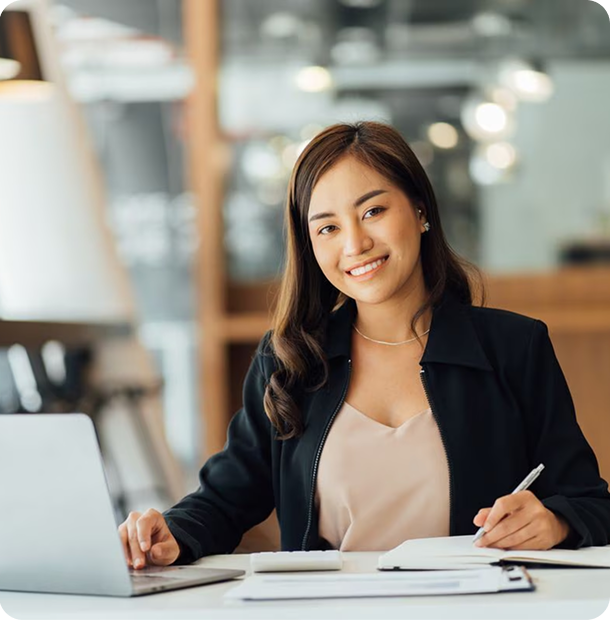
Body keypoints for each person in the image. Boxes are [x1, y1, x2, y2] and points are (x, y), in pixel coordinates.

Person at [119, 121, 610, 569]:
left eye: (373, 210)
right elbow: (224, 501)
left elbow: (591, 502)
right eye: (328, 227)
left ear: (420, 212)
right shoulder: (288, 360)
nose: (354, 244)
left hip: (476, 609)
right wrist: (172, 533)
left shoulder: (513, 346)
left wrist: (555, 521)